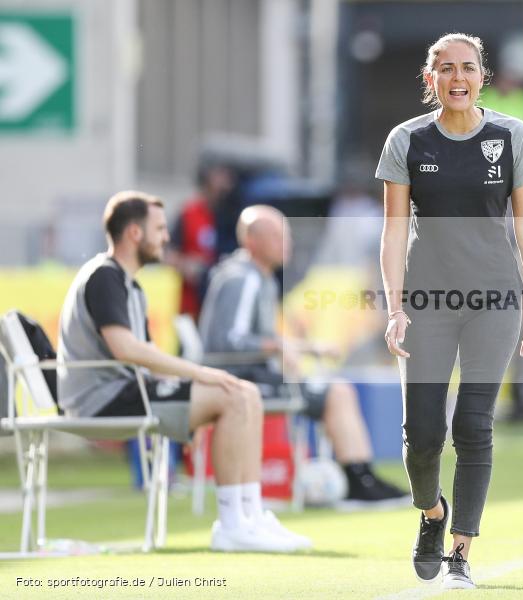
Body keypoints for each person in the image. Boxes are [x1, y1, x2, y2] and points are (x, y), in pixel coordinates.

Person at [377, 33, 523, 590]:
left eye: (468, 68)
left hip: (494, 299)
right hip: (426, 303)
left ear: (482, 75)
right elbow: (394, 231)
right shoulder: (406, 140)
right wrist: (395, 308)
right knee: (423, 436)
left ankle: (459, 554)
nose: (458, 77)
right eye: (446, 69)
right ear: (430, 79)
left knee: (473, 424)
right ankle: (432, 513)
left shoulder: (511, 136)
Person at [57, 191, 310, 553]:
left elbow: (137, 357)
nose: (166, 238)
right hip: (101, 400)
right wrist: (199, 374)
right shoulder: (105, 277)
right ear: (134, 233)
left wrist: (191, 390)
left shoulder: (126, 282)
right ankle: (233, 524)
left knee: (246, 393)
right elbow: (127, 349)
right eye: (160, 229)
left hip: (124, 392)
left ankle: (251, 516)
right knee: (233, 394)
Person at [199, 204, 410, 507]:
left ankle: (360, 477)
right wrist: (282, 348)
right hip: (242, 381)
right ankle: (359, 481)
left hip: (252, 376)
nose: (287, 243)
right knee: (337, 392)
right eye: (277, 236)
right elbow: (230, 340)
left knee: (336, 389)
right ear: (251, 241)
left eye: (287, 235)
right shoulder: (243, 279)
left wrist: (304, 347)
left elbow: (251, 338)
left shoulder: (256, 277)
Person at [168, 161, 235, 320]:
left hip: (222, 306)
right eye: (220, 174)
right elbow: (169, 253)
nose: (224, 182)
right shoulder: (189, 213)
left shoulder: (230, 215)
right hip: (192, 305)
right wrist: (188, 265)